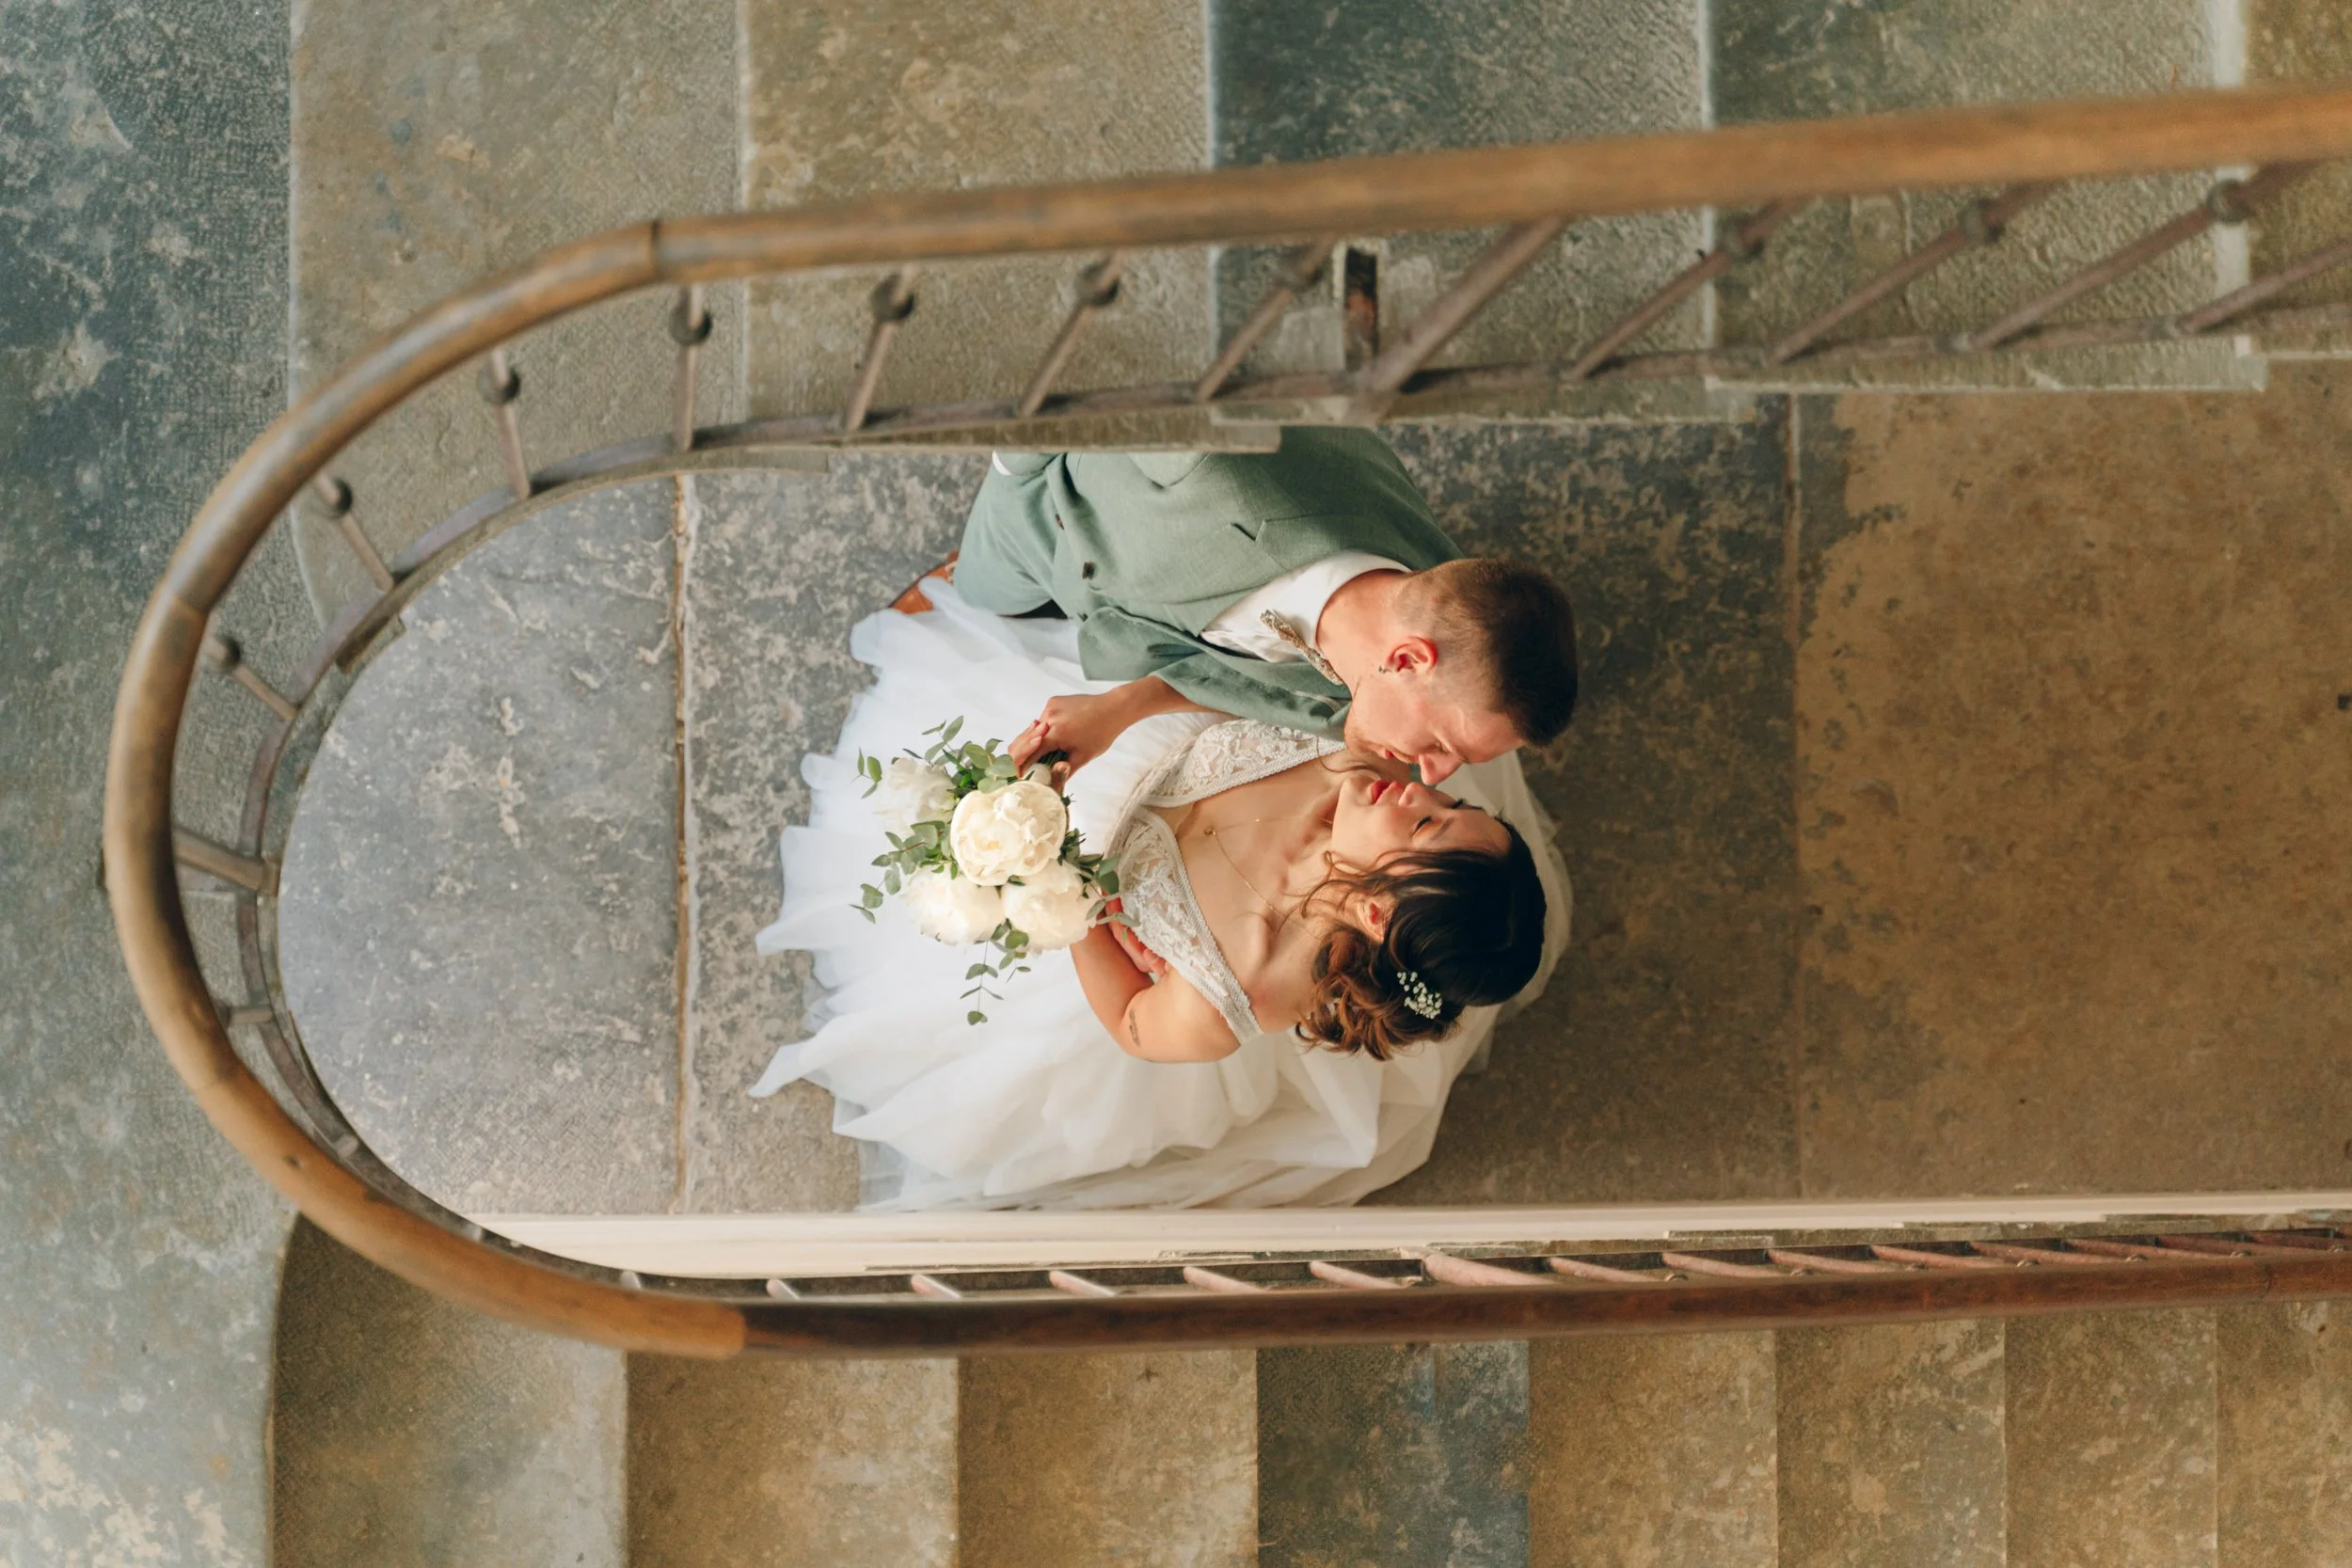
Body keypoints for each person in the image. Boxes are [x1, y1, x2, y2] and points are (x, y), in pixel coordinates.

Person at [753, 579, 1571, 1210]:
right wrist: (1120, 707)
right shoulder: (1379, 763)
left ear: (1372, 910)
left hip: (1081, 859)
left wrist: (1061, 894)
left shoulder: (1230, 996)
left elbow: (1132, 1025)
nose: (1426, 786)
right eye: (1456, 805)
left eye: (1428, 825)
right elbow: (1246, 683)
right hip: (1132, 731)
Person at [956, 428, 1579, 785]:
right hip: (1043, 521)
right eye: (1446, 744)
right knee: (978, 595)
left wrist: (1122, 707)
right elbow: (1093, 379)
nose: (1436, 773)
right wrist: (1012, 464)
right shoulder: (1213, 466)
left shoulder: (1384, 679)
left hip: (1130, 622)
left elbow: (1254, 687)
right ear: (1410, 657)